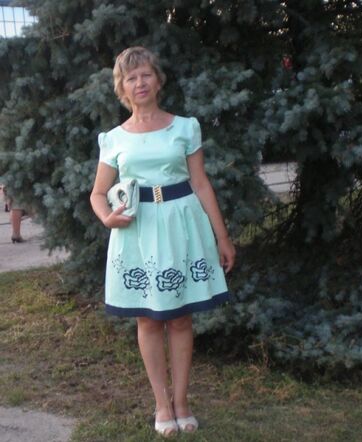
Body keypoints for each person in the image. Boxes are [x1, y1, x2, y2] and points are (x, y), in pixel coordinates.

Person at [90, 46, 235, 437]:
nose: (140, 83)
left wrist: (222, 237)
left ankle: (182, 401)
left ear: (158, 80)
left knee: (182, 317)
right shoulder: (113, 139)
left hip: (182, 225)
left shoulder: (185, 128)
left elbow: (200, 184)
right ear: (122, 87)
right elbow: (98, 193)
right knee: (148, 319)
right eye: (131, 78)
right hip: (137, 231)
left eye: (146, 75)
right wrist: (107, 217)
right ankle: (162, 404)